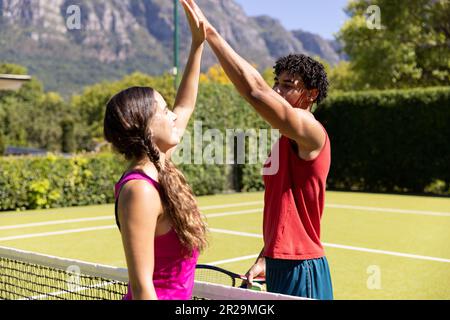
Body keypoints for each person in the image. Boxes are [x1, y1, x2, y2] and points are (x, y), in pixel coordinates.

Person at [182, 0, 333, 300]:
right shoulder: (284, 141)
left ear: (311, 94)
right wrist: (266, 255)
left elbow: (255, 92)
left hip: (301, 266)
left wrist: (210, 34)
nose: (278, 91)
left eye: (288, 85)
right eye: (277, 83)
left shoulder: (311, 131)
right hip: (280, 262)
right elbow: (285, 212)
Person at [103, 4, 208, 300]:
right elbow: (142, 287)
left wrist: (198, 45)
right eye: (164, 110)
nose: (173, 116)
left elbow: (185, 106)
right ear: (146, 127)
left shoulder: (160, 166)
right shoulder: (140, 191)